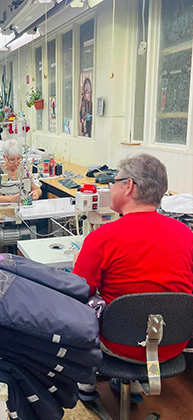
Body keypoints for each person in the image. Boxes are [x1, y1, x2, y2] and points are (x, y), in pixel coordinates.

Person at [73, 154, 193, 401]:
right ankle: (135, 383)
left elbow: (79, 290)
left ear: (128, 186)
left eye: (114, 182)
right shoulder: (186, 234)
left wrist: (78, 264)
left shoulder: (101, 239)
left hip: (119, 344)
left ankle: (85, 382)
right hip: (174, 343)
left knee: (75, 307)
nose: (111, 187)